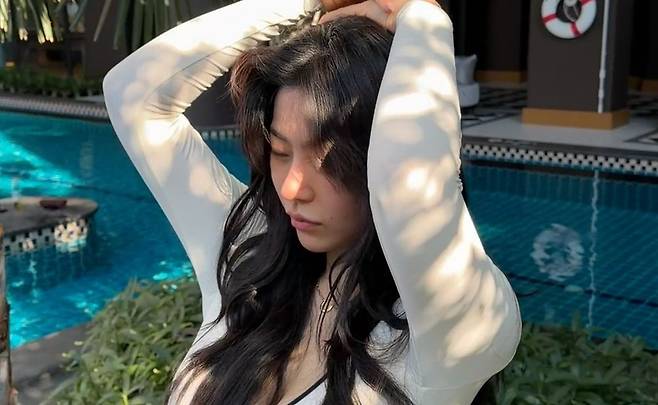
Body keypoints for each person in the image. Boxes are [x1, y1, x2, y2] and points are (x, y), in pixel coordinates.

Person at [102, 0, 522, 403]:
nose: (291, 188)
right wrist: (309, 4)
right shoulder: (249, 257)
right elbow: (132, 96)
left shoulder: (450, 330)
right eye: (280, 152)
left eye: (331, 160)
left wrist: (422, 18)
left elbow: (406, 188)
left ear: (374, 156)